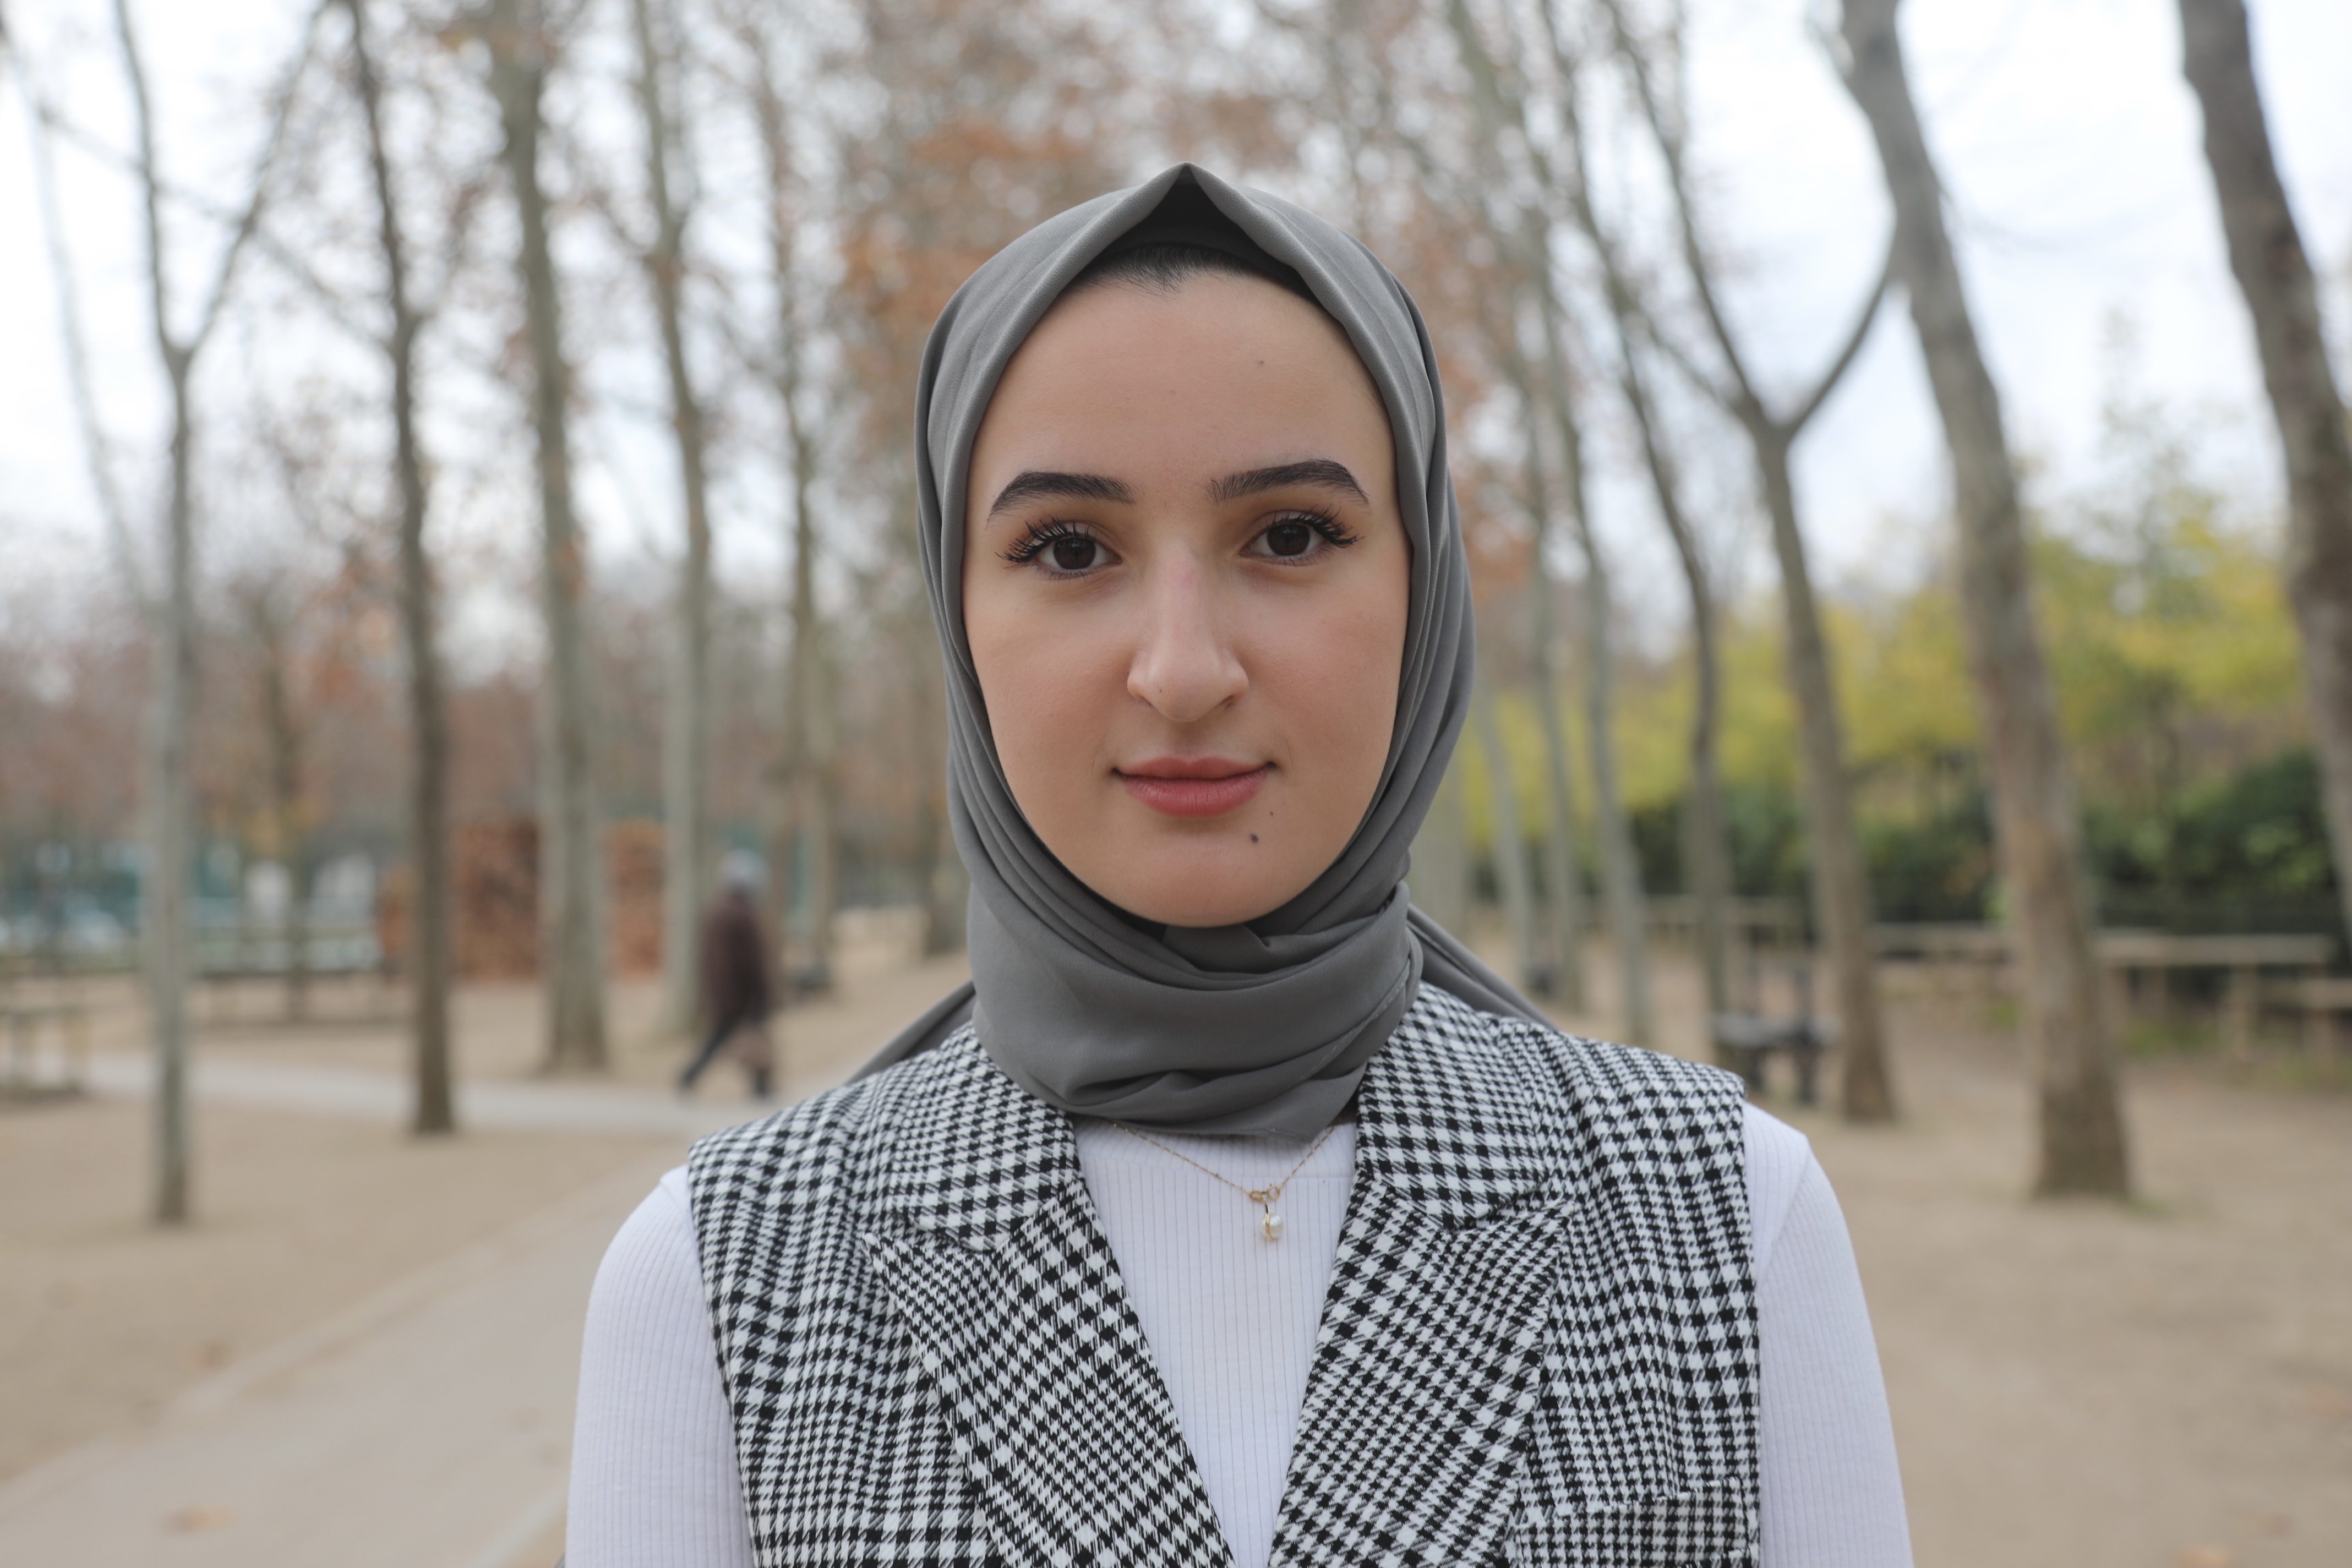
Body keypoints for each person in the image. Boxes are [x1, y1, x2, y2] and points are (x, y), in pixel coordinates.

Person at [566, 165, 1911, 1567]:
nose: (1183, 668)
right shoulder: (721, 1276)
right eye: (1069, 547)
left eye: (1290, 534)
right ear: (957, 616)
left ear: (1425, 588)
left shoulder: (1724, 1213)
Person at [675, 880, 774, 1101]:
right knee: (750, 1037)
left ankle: (760, 1083)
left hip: (721, 994)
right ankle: (760, 1084)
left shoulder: (715, 912)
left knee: (723, 1039)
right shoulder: (743, 916)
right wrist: (760, 992)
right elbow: (751, 962)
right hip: (740, 995)